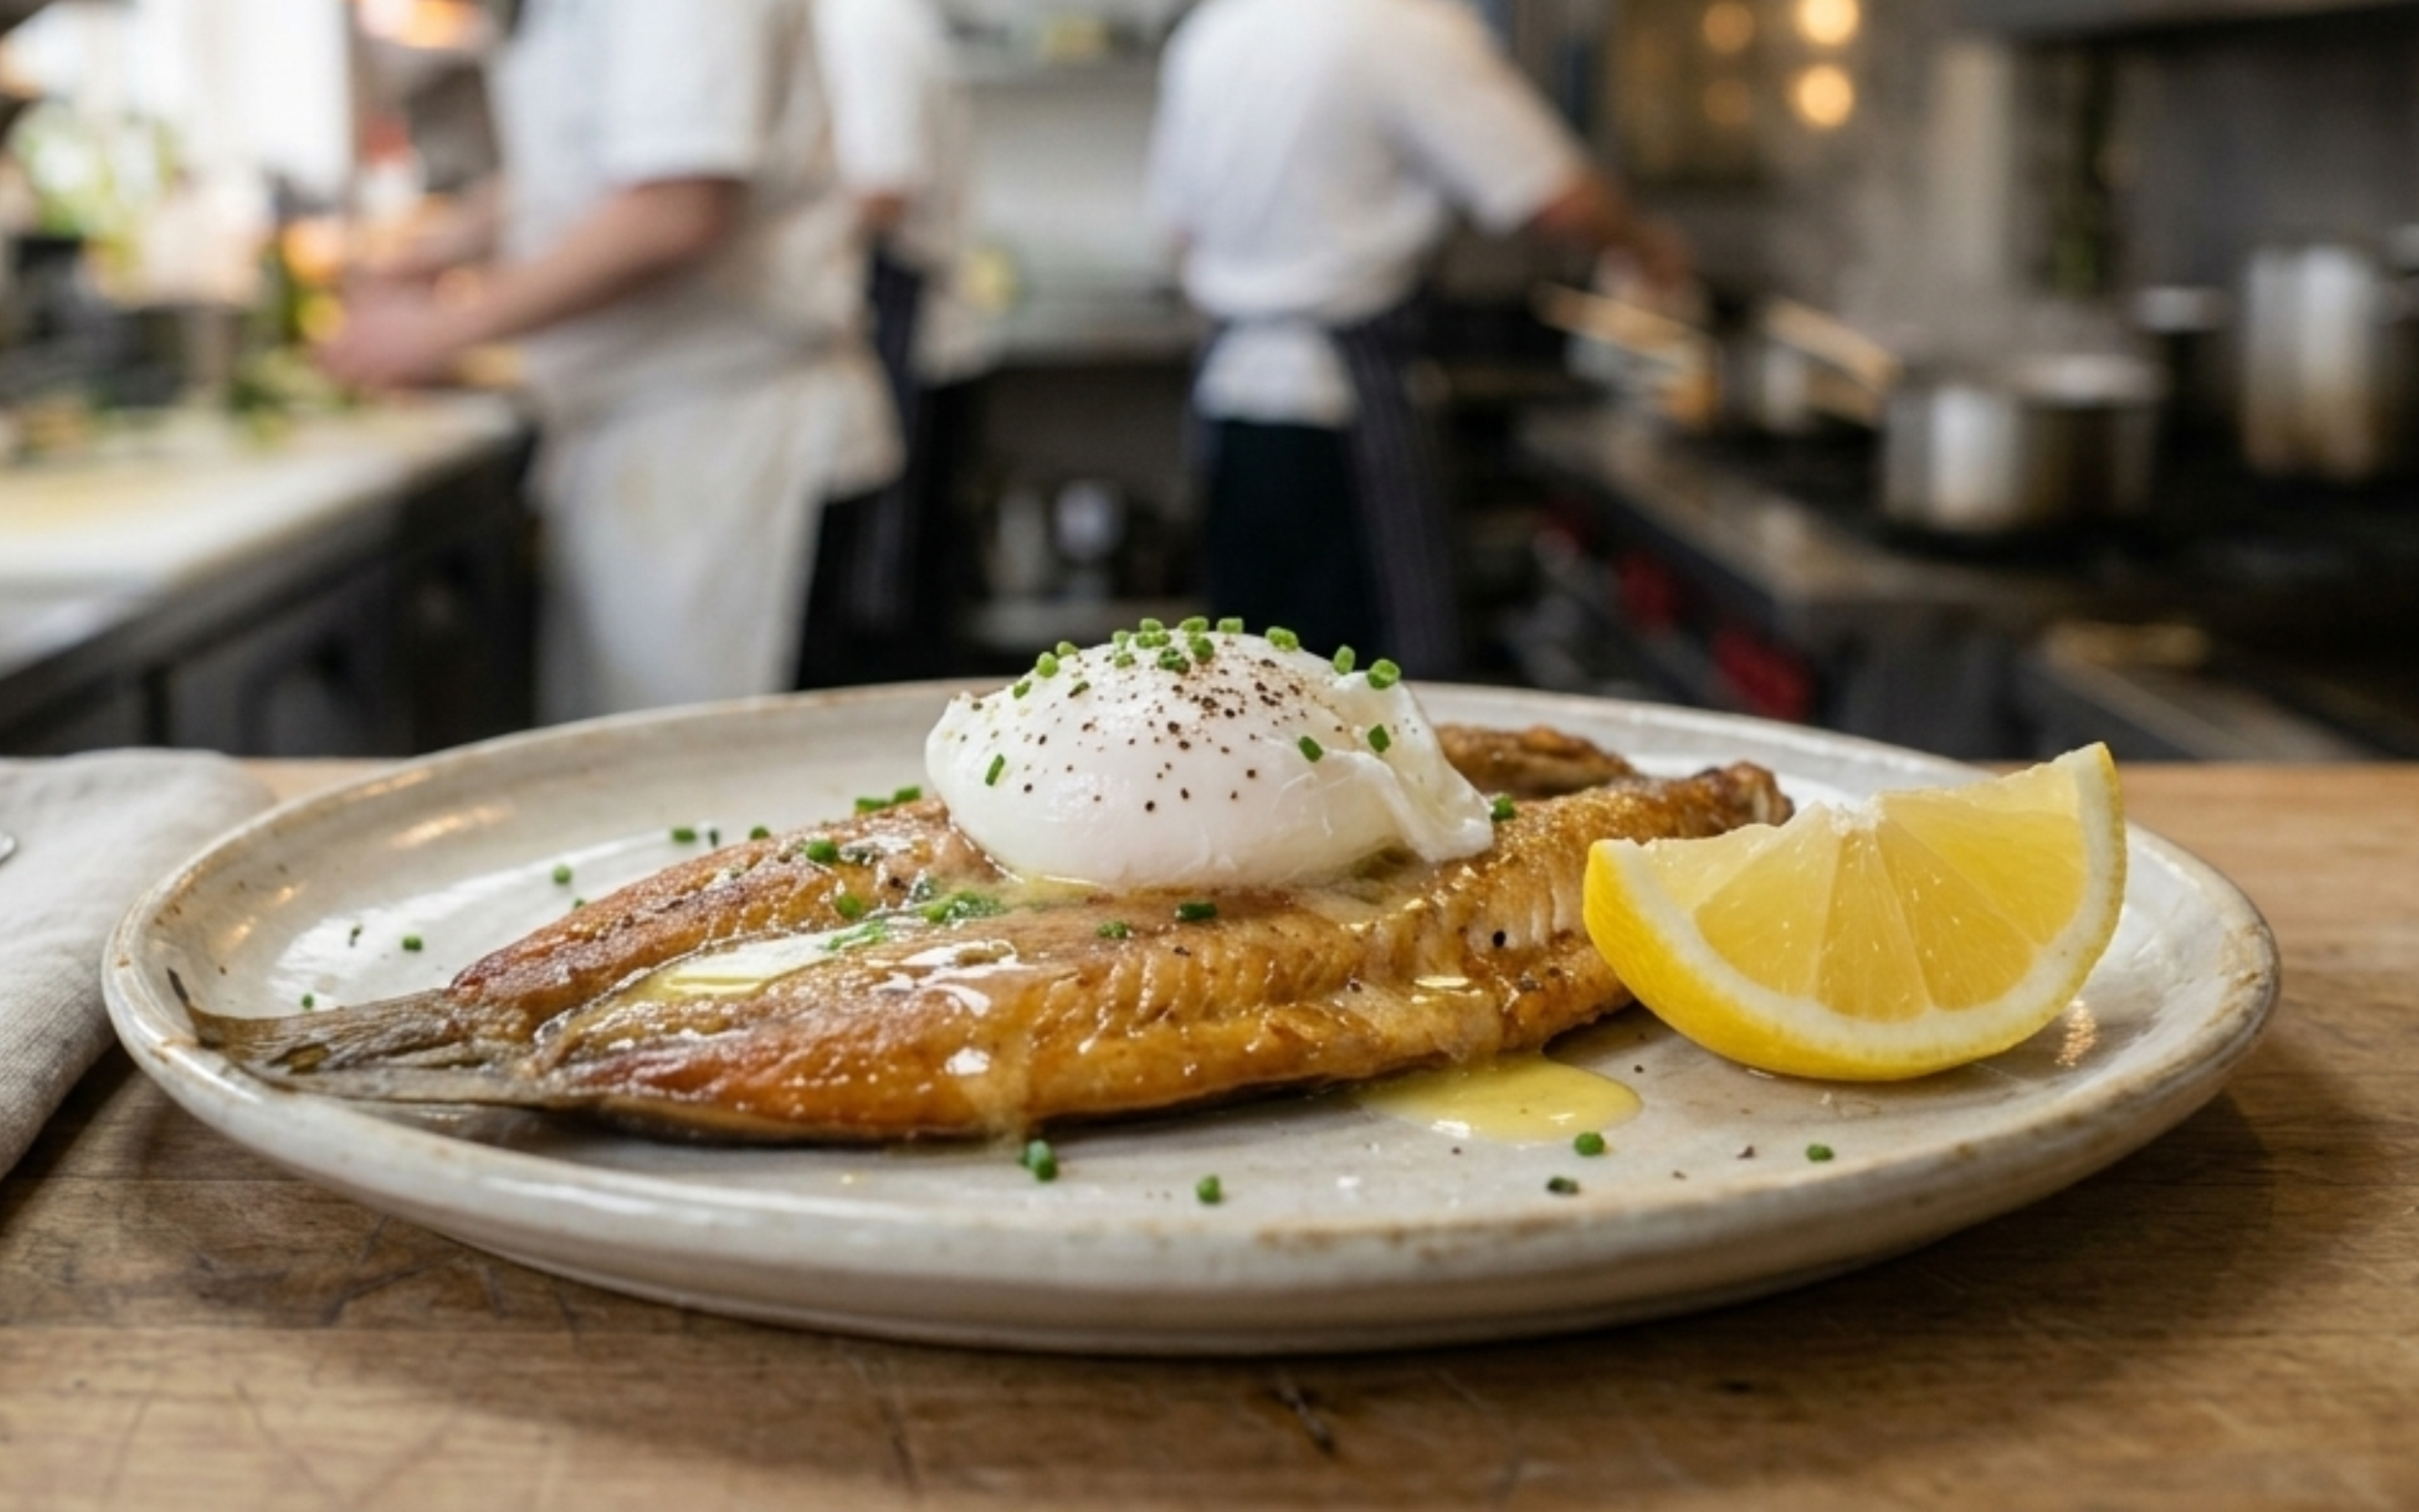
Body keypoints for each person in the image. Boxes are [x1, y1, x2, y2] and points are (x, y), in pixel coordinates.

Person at [318, 0, 898, 723]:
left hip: (726, 447)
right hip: (652, 441)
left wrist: (435, 331)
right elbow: (589, 167)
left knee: (718, 783)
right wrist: (435, 250)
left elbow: (677, 207)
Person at [1147, 0, 1687, 677]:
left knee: (1241, 679)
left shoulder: (1213, 33)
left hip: (1229, 404)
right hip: (1341, 415)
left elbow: (1177, 229)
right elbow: (1553, 194)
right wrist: (1651, 249)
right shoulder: (1402, 26)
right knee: (1370, 683)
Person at [808, 0, 991, 683]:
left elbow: (883, 189)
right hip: (895, 348)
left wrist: (769, 240)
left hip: (912, 356)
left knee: (890, 607)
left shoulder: (868, 23)